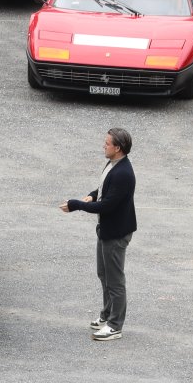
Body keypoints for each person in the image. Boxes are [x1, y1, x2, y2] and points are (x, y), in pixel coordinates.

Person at [61, 128, 137, 342]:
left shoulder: (123, 173)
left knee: (115, 280)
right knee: (104, 274)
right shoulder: (113, 165)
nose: (104, 146)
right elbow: (104, 189)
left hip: (115, 233)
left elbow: (107, 205)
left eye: (107, 143)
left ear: (118, 148)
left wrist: (76, 205)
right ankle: (107, 315)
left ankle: (115, 326)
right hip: (106, 230)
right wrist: (92, 195)